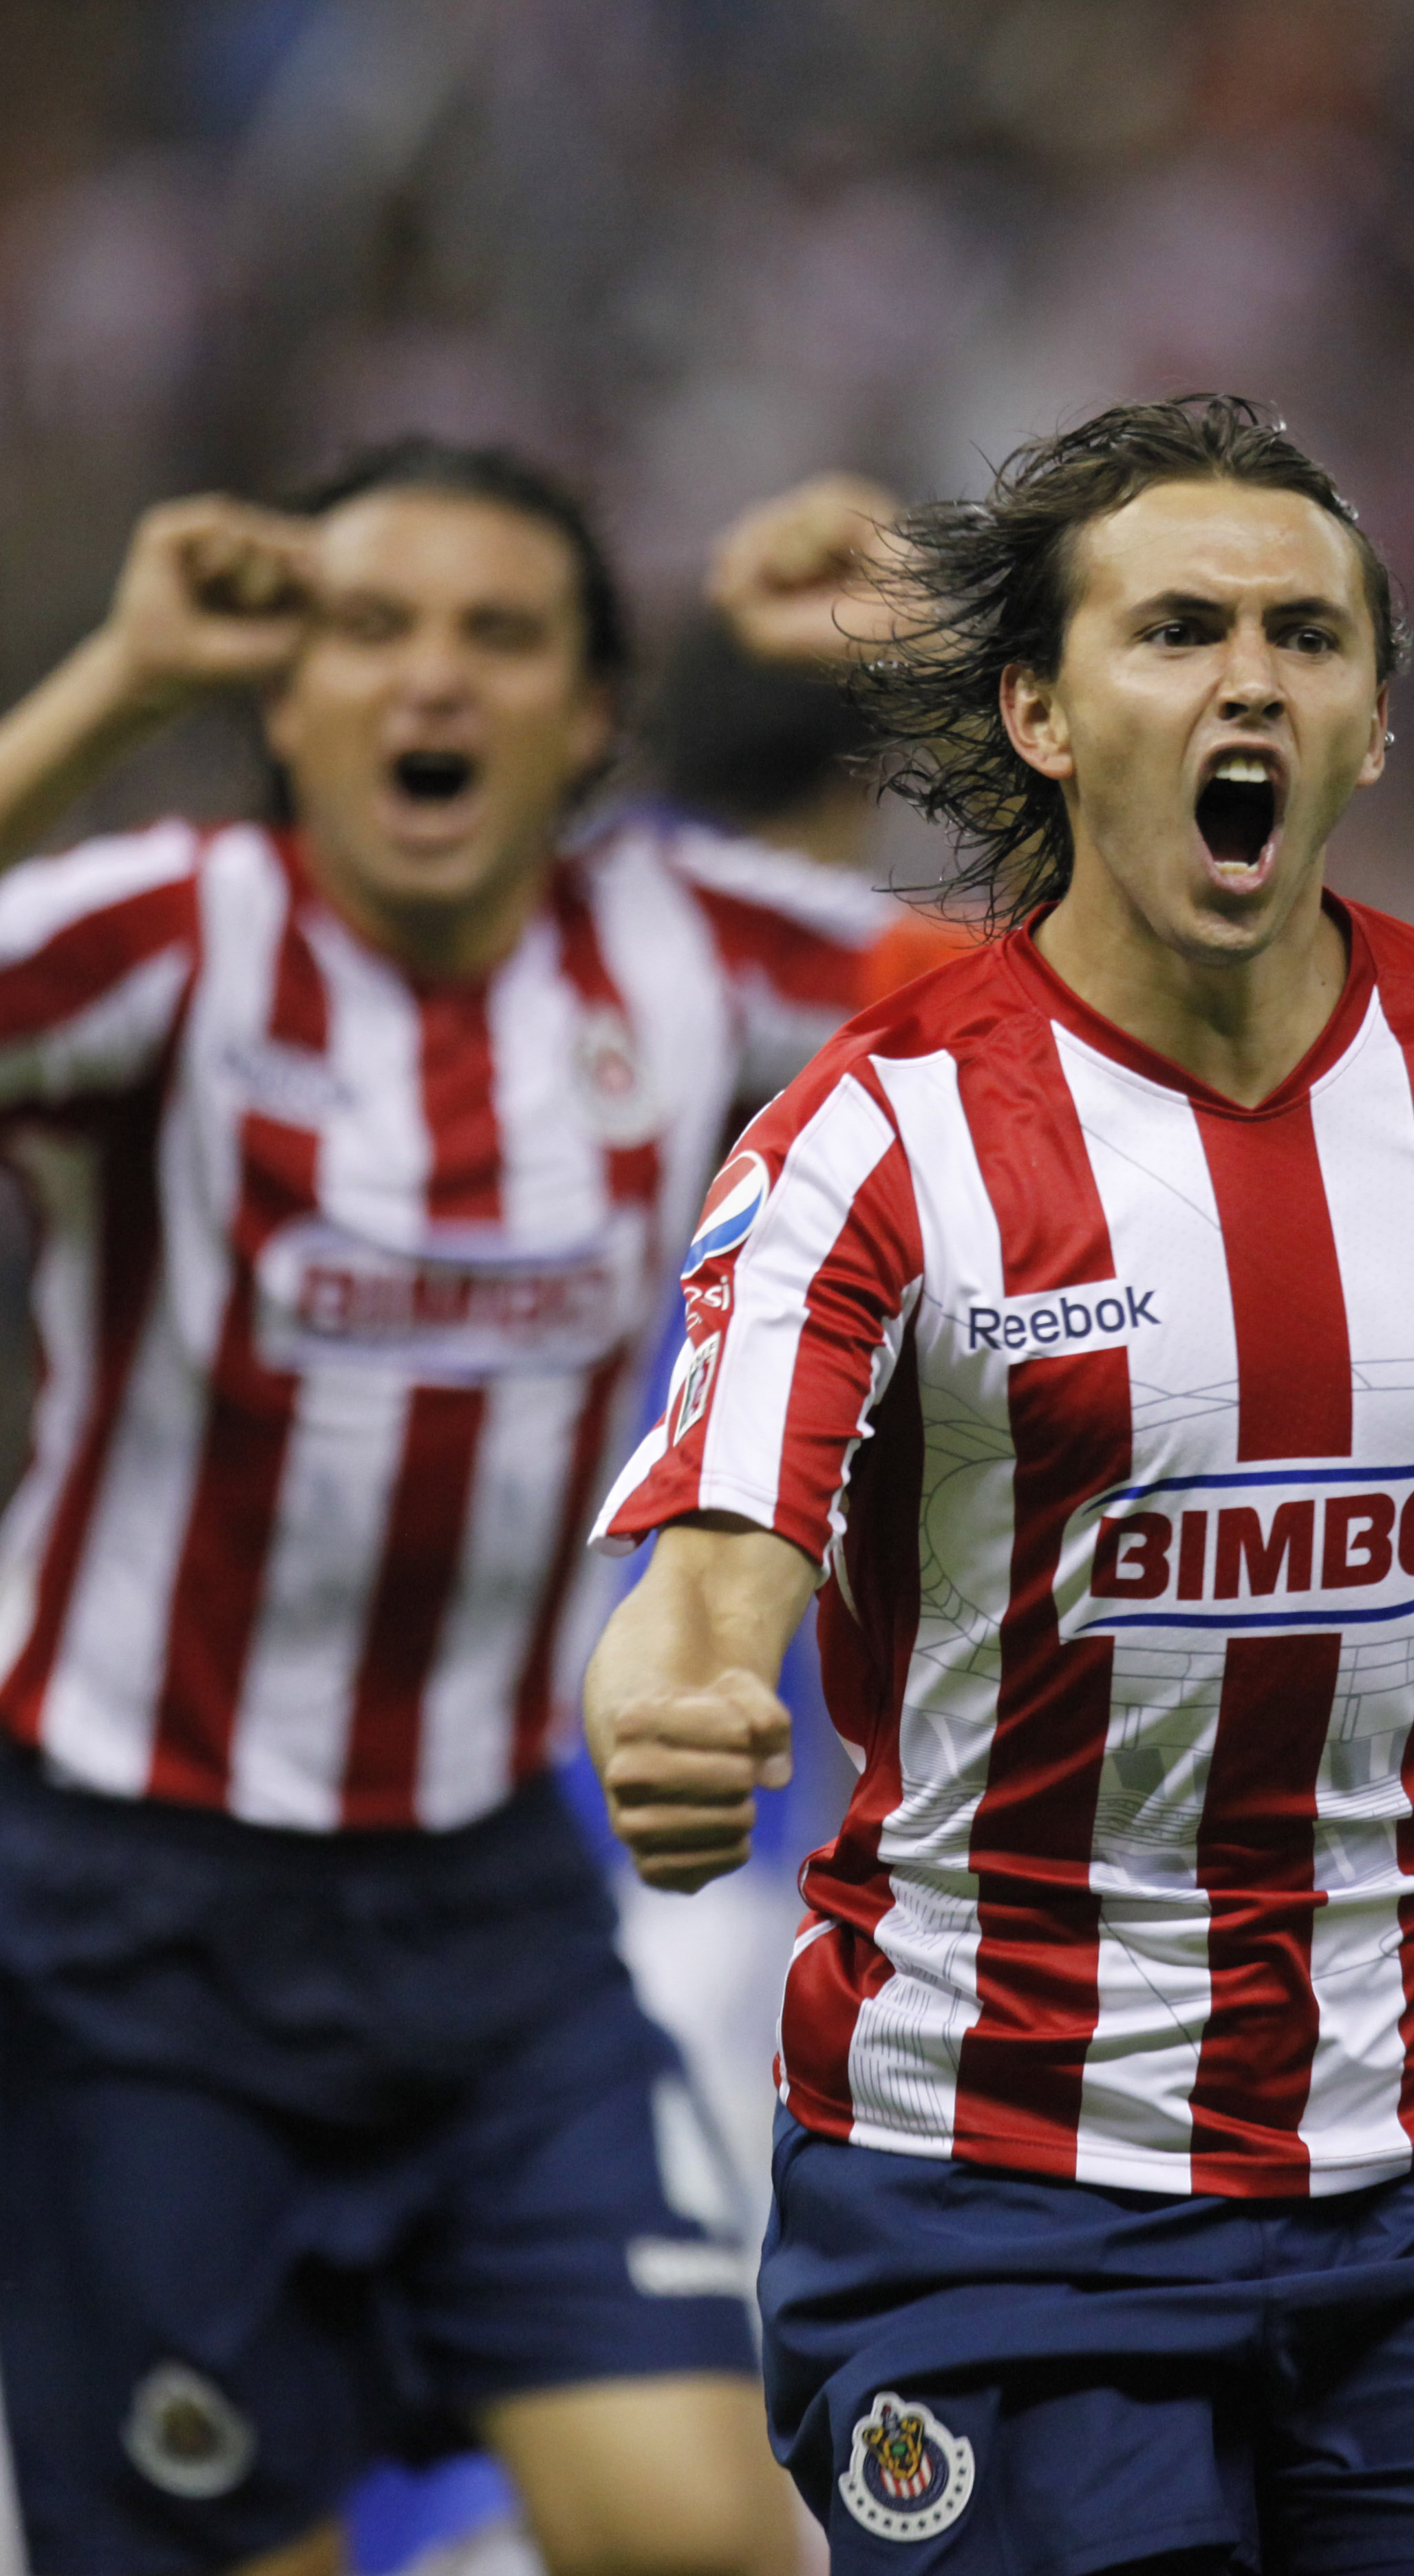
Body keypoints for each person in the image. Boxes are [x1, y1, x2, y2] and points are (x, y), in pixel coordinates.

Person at [582, 396, 1414, 2576]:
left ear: (1376, 716)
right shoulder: (874, 1140)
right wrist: (674, 1701)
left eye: (1307, 634)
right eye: (1178, 627)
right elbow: (719, 1577)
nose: (1249, 680)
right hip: (989, 2185)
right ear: (1038, 712)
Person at [0, 436, 943, 2576]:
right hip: (131, 1923)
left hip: (492, 1915)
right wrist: (112, 680)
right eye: (372, 630)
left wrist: (949, 654)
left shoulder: (691, 948)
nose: (435, 680)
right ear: (286, 696)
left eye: (500, 636)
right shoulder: (162, 938)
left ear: (593, 717)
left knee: (709, 2538)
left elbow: (1082, 1033)